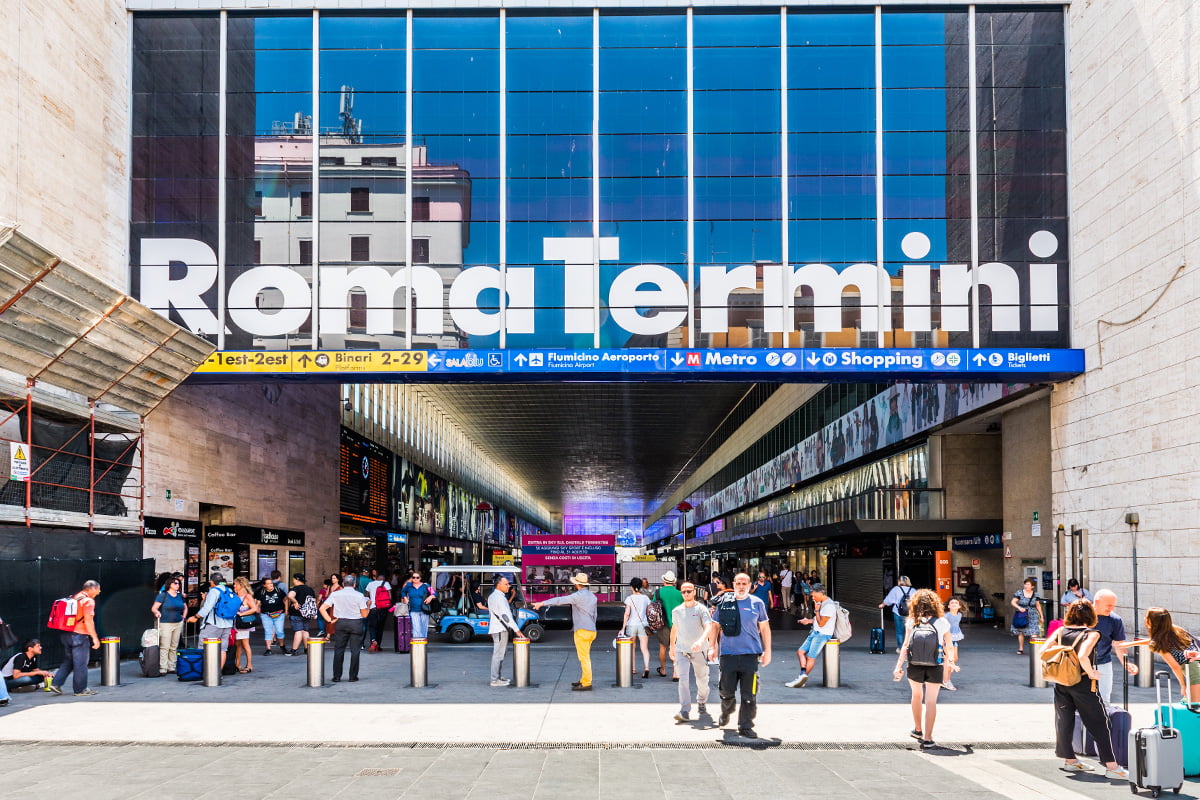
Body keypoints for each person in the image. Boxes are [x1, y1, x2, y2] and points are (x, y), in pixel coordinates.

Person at [1049, 600, 1127, 779]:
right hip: (1083, 684)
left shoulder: (1061, 631)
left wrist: (1065, 656)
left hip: (1062, 682)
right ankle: (1112, 767)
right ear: (1091, 615)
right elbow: (1083, 655)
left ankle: (1070, 760)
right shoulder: (1091, 634)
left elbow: (1045, 650)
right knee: (1100, 722)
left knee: (1064, 721)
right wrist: (1091, 672)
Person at [891, 588, 957, 749]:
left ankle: (918, 730)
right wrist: (951, 662)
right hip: (935, 665)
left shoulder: (912, 621)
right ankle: (928, 738)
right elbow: (949, 646)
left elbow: (906, 645)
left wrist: (898, 666)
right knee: (931, 701)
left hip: (914, 664)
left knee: (916, 696)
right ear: (935, 604)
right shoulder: (942, 622)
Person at [715, 573, 771, 738]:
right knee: (726, 691)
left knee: (749, 694)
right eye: (738, 583)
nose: (741, 586)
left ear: (749, 585)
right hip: (728, 654)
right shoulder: (724, 603)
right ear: (733, 584)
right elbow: (715, 626)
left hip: (750, 655)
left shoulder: (757, 603)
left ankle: (746, 726)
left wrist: (768, 650)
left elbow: (765, 628)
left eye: (744, 583)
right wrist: (712, 646)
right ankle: (727, 709)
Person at [533, 573, 598, 691]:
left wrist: (542, 603)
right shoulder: (593, 596)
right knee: (585, 656)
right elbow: (595, 614)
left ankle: (587, 682)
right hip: (591, 629)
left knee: (584, 658)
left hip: (582, 630)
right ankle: (584, 679)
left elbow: (560, 600)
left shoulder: (578, 596)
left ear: (577, 584)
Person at [1126, 607, 1200, 703]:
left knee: (1194, 708)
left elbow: (1175, 666)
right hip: (1196, 665)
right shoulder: (1176, 630)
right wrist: (1131, 643)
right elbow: (1155, 641)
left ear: (1150, 621)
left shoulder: (1158, 642)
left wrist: (1183, 685)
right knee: (1189, 705)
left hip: (1193, 671)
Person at [669, 582, 716, 722]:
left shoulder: (701, 609)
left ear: (694, 592)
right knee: (682, 680)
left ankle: (701, 701)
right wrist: (672, 647)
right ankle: (684, 710)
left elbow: (709, 627)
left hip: (699, 651)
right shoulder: (677, 611)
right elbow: (674, 629)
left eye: (689, 591)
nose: (686, 594)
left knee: (702, 680)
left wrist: (701, 641)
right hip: (681, 650)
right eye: (684, 592)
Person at [48, 579, 102, 697]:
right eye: (98, 590)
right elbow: (88, 621)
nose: (98, 593)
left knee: (70, 660)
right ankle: (80, 690)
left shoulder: (75, 597)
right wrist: (95, 638)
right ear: (92, 589)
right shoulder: (88, 601)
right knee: (81, 663)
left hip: (66, 634)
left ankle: (56, 683)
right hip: (79, 635)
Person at [1089, 589, 1137, 703]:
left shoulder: (1115, 620)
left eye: (1113, 606)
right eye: (1109, 605)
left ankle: (1103, 720)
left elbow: (1118, 643)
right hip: (1081, 664)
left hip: (1103, 663)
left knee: (1104, 700)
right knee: (1081, 701)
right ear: (1097, 601)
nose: (1111, 609)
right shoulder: (1082, 615)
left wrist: (1126, 663)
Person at [320, 574, 369, 682]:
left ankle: (337, 676)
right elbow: (364, 614)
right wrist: (368, 605)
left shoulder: (335, 594)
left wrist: (329, 620)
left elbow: (322, 608)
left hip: (340, 622)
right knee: (355, 651)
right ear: (354, 584)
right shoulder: (359, 595)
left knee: (339, 649)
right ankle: (353, 676)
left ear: (343, 583)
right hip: (355, 623)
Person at [787, 582, 836, 688]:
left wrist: (817, 611)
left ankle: (801, 679)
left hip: (822, 634)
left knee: (811, 657)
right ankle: (802, 675)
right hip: (815, 632)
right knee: (800, 652)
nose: (812, 598)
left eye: (814, 595)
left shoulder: (829, 606)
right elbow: (818, 621)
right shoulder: (822, 603)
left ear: (821, 593)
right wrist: (809, 621)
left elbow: (822, 623)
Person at [187, 576, 235, 671]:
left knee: (204, 645)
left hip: (214, 623)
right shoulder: (229, 590)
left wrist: (195, 617)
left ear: (212, 582)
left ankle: (206, 671)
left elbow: (206, 608)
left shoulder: (213, 591)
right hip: (228, 624)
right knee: (222, 649)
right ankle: (218, 673)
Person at [487, 575, 525, 687]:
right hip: (500, 628)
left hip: (497, 628)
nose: (509, 586)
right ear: (499, 585)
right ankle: (494, 679)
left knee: (500, 654)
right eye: (506, 584)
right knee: (498, 655)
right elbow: (506, 616)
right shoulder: (500, 598)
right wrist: (517, 630)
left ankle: (497, 676)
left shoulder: (493, 596)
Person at [150, 575, 186, 673]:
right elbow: (154, 608)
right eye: (175, 583)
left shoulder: (180, 596)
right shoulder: (163, 595)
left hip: (178, 622)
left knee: (174, 646)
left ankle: (171, 666)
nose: (177, 585)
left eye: (178, 583)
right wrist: (157, 613)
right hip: (166, 623)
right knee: (165, 646)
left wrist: (184, 617)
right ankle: (163, 667)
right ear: (169, 584)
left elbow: (185, 607)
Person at [654, 572, 684, 679]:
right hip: (677, 624)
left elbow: (653, 607)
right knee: (676, 647)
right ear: (674, 582)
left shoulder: (658, 593)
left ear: (664, 581)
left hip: (663, 624)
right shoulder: (679, 594)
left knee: (663, 647)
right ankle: (675, 672)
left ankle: (663, 669)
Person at [622, 578, 653, 679]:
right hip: (643, 625)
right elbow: (649, 612)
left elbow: (627, 614)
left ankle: (633, 668)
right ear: (640, 587)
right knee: (644, 648)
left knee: (632, 647)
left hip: (631, 625)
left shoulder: (629, 598)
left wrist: (623, 628)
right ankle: (647, 668)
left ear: (631, 586)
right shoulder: (645, 598)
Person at [231, 576, 261, 673]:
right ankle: (237, 664)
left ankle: (249, 665)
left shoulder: (247, 596)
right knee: (237, 644)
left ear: (241, 585)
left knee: (245, 644)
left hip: (243, 624)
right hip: (235, 624)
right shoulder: (235, 595)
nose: (234, 586)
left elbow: (254, 609)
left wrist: (241, 614)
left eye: (236, 584)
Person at [879, 576, 915, 652]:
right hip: (910, 614)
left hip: (898, 613)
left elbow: (888, 600)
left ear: (900, 582)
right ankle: (910, 648)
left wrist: (882, 604)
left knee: (900, 632)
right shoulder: (913, 590)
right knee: (910, 631)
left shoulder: (896, 589)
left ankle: (901, 648)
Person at [1010, 577, 1044, 654]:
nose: (1026, 586)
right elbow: (1013, 602)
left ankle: (1034, 650)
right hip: (1022, 613)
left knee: (1034, 632)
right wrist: (1019, 607)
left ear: (1032, 586)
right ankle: (1020, 648)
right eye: (1025, 584)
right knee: (1021, 631)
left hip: (1033, 614)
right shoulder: (1019, 593)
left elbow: (1038, 605)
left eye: (1028, 584)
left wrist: (1041, 616)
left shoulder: (1036, 594)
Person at [255, 577, 288, 656]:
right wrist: (256, 608)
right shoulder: (261, 592)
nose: (271, 585)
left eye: (271, 583)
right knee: (268, 631)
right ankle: (268, 649)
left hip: (279, 614)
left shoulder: (278, 590)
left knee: (279, 631)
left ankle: (282, 646)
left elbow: (285, 599)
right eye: (268, 583)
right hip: (266, 615)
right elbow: (258, 603)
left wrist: (286, 610)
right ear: (264, 585)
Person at [287, 574, 316, 656]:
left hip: (297, 613)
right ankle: (307, 649)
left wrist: (295, 602)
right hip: (307, 613)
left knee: (298, 631)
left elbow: (290, 595)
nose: (293, 581)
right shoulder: (309, 589)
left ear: (296, 580)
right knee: (305, 631)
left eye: (293, 579)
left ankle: (294, 650)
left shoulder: (296, 588)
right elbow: (314, 600)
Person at [401, 572, 434, 641]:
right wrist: (405, 598)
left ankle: (423, 645)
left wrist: (430, 597)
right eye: (413, 577)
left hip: (424, 610)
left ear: (420, 578)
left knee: (424, 628)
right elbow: (403, 592)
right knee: (416, 628)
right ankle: (417, 646)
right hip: (413, 610)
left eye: (417, 577)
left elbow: (434, 593)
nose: (415, 579)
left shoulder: (426, 585)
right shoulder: (409, 585)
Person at [364, 571, 392, 653]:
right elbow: (390, 597)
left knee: (372, 627)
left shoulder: (370, 584)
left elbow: (366, 596)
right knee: (380, 627)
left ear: (376, 578)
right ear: (383, 579)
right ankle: (378, 645)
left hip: (373, 608)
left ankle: (373, 642)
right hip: (383, 609)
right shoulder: (386, 584)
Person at [942, 597, 965, 690]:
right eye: (952, 603)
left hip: (954, 638)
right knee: (948, 659)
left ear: (959, 606)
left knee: (955, 658)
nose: (954, 604)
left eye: (956, 603)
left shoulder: (959, 615)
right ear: (948, 606)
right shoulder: (946, 615)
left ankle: (944, 679)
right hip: (946, 638)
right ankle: (946, 681)